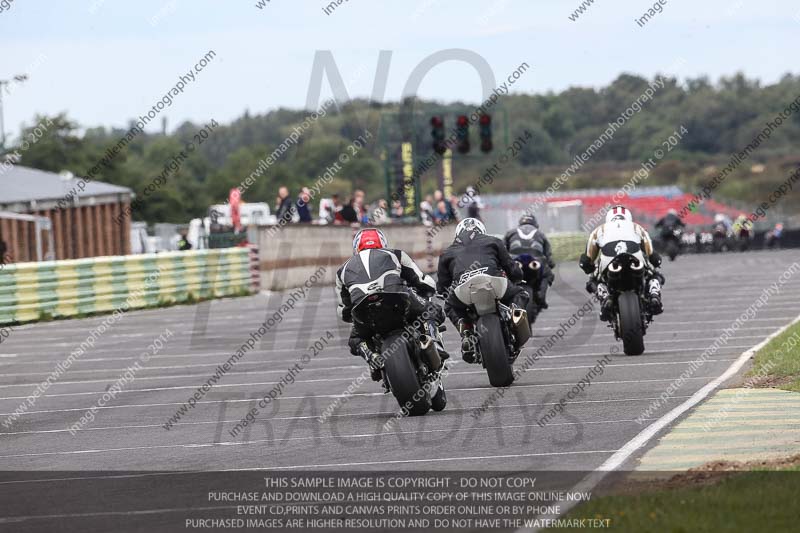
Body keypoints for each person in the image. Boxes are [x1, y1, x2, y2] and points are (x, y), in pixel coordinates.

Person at [336, 228, 447, 380]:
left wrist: (353, 315)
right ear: (382, 243)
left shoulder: (342, 271)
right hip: (397, 300)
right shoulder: (396, 254)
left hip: (364, 310)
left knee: (356, 339)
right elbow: (421, 281)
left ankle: (372, 356)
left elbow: (344, 310)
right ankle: (433, 343)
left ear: (356, 247)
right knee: (432, 310)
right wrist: (429, 289)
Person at [436, 217, 529, 363]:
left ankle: (466, 331)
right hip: (494, 282)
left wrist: (444, 293)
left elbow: (442, 287)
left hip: (464, 290)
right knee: (521, 293)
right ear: (481, 230)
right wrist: (517, 277)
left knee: (449, 305)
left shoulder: (447, 253)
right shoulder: (493, 241)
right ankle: (514, 312)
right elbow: (512, 268)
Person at [579, 205, 663, 321]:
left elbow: (587, 258)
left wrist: (588, 268)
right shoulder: (637, 227)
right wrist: (656, 261)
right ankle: (654, 294)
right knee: (655, 274)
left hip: (608, 261)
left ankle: (605, 298)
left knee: (592, 281)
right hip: (635, 257)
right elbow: (651, 252)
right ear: (628, 217)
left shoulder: (598, 230)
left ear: (609, 218)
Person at [504, 214, 555, 309]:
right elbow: (549, 257)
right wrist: (550, 265)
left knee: (503, 274)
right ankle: (541, 296)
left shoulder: (510, 232)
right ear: (535, 224)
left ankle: (505, 298)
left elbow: (502, 251)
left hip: (515, 260)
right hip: (535, 260)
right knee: (547, 275)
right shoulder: (540, 234)